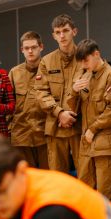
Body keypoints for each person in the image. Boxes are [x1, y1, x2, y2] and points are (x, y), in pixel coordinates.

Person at [70, 39, 111, 202]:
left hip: (105, 142)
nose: (83, 65)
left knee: (105, 193)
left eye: (85, 61)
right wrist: (73, 91)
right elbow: (73, 109)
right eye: (80, 62)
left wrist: (93, 129)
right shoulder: (84, 75)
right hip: (87, 143)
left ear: (96, 54)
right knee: (85, 191)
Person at [35, 14, 82, 174]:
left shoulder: (85, 57)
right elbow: (41, 92)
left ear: (74, 31)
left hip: (80, 126)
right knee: (58, 178)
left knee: (85, 177)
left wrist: (70, 115)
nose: (62, 35)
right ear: (53, 35)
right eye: (58, 32)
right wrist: (60, 113)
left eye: (65, 30)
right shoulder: (46, 62)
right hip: (55, 127)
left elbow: (92, 90)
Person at [8, 31, 49, 169]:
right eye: (26, 48)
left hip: (45, 135)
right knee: (25, 180)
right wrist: (9, 130)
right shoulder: (14, 73)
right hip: (21, 136)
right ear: (22, 50)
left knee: (47, 179)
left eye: (34, 47)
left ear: (41, 47)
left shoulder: (50, 70)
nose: (30, 51)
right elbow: (8, 103)